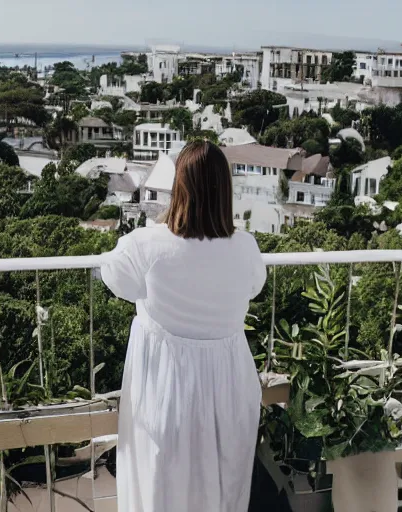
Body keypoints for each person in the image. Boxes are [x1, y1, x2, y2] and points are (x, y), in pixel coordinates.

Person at [100, 140, 266, 511]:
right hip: (229, 387)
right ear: (225, 190)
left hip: (165, 390)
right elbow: (254, 286)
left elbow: (114, 277)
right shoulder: (246, 248)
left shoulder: (144, 245)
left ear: (179, 187)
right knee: (223, 490)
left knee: (160, 487)